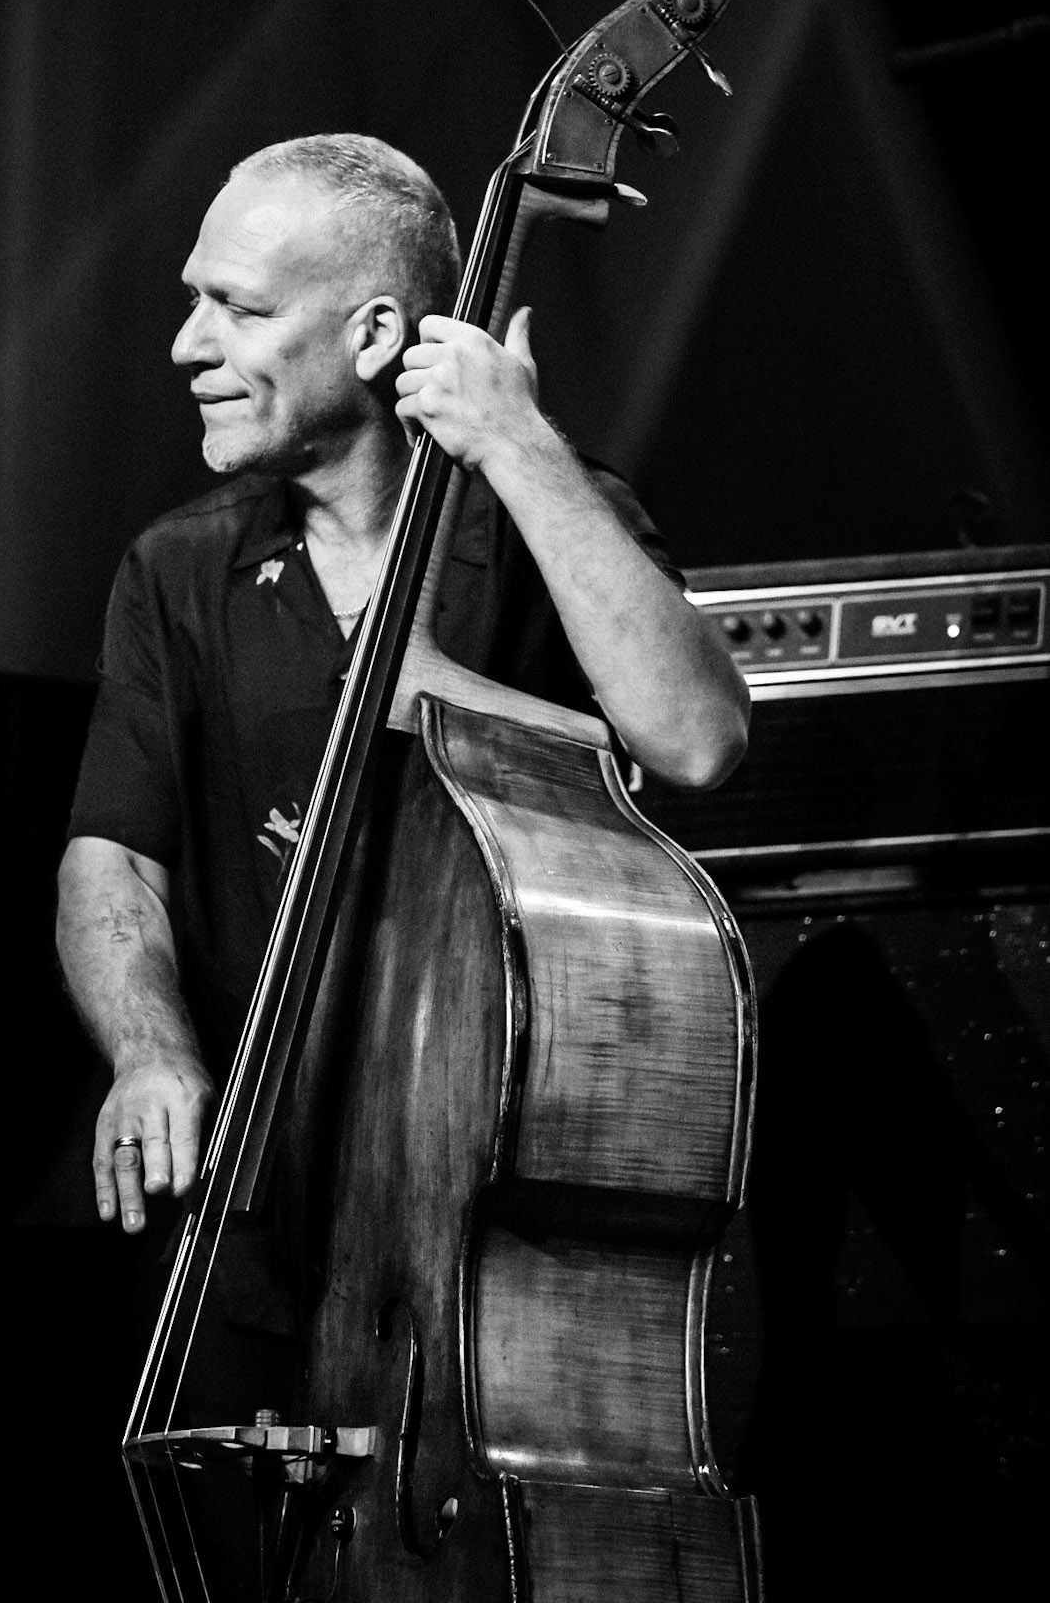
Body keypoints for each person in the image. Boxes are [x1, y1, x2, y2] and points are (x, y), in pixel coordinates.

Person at [56, 132, 749, 1242]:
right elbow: (116, 857)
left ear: (374, 334)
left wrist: (519, 446)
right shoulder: (176, 569)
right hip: (256, 1190)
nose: (189, 345)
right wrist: (150, 1052)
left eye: (240, 308)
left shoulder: (548, 519)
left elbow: (698, 740)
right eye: (194, 300)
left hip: (491, 1187)